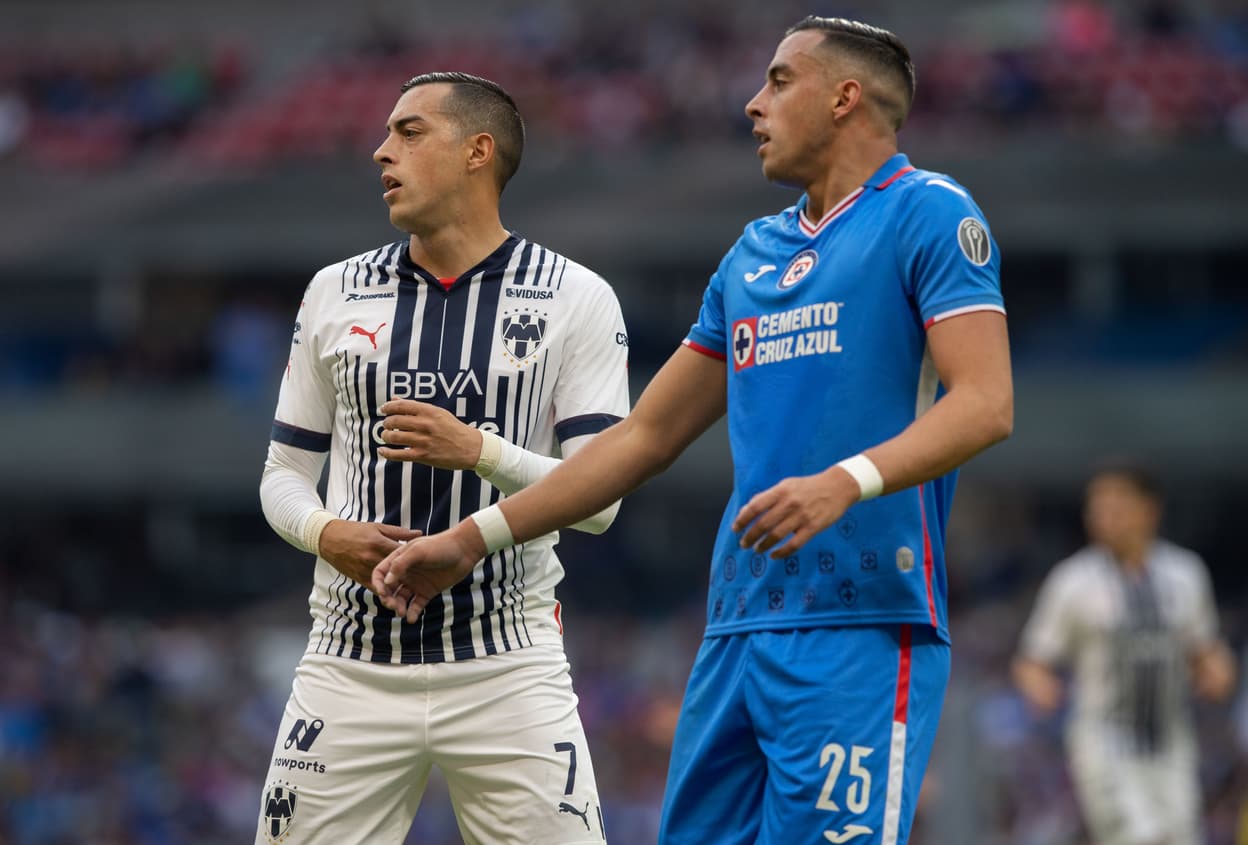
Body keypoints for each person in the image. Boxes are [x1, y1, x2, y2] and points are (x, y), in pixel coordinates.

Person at [375, 17, 1013, 845]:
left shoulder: (929, 213)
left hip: (860, 621)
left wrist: (844, 480)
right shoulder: (753, 252)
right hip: (736, 626)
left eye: (780, 82)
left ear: (846, 97)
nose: (754, 103)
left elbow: (985, 403)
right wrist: (472, 537)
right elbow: (640, 438)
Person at [256, 71, 629, 844]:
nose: (379, 151)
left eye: (408, 132)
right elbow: (284, 476)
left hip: (508, 663)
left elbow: (600, 499)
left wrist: (478, 450)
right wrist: (329, 534)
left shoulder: (575, 297)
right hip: (349, 661)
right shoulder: (335, 291)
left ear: (477, 152)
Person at [1012, 463, 1236, 845]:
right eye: (1097, 508)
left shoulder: (1185, 574)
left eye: (1117, 505)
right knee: (1136, 836)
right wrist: (1040, 687)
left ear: (1150, 509)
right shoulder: (1073, 580)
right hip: (1104, 738)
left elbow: (1205, 647)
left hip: (1171, 738)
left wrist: (1218, 671)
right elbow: (1033, 658)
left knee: (1181, 835)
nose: (1104, 517)